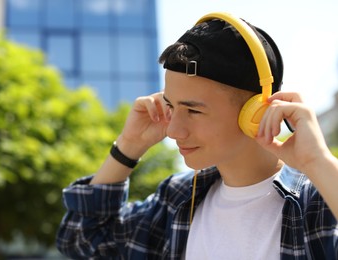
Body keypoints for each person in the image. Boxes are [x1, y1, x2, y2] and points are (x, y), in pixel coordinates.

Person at [56, 12, 338, 259]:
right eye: (170, 106)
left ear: (257, 111)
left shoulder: (316, 204)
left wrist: (317, 161)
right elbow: (81, 241)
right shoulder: (177, 198)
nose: (174, 130)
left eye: (193, 111)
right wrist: (128, 146)